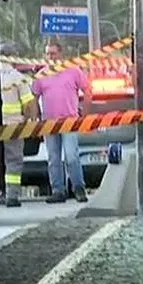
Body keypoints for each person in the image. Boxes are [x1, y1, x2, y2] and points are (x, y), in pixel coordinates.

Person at [31, 41, 90, 204]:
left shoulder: (73, 71)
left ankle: (78, 188)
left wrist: (84, 115)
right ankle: (58, 190)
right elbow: (34, 97)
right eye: (48, 54)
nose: (50, 57)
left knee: (71, 156)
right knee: (54, 158)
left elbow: (87, 90)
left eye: (53, 53)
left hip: (69, 121)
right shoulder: (41, 75)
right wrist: (36, 119)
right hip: (49, 123)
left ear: (60, 54)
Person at [0, 41, 38, 208]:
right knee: (13, 161)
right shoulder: (17, 77)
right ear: (12, 58)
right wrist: (28, 120)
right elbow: (29, 103)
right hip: (14, 126)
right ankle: (11, 196)